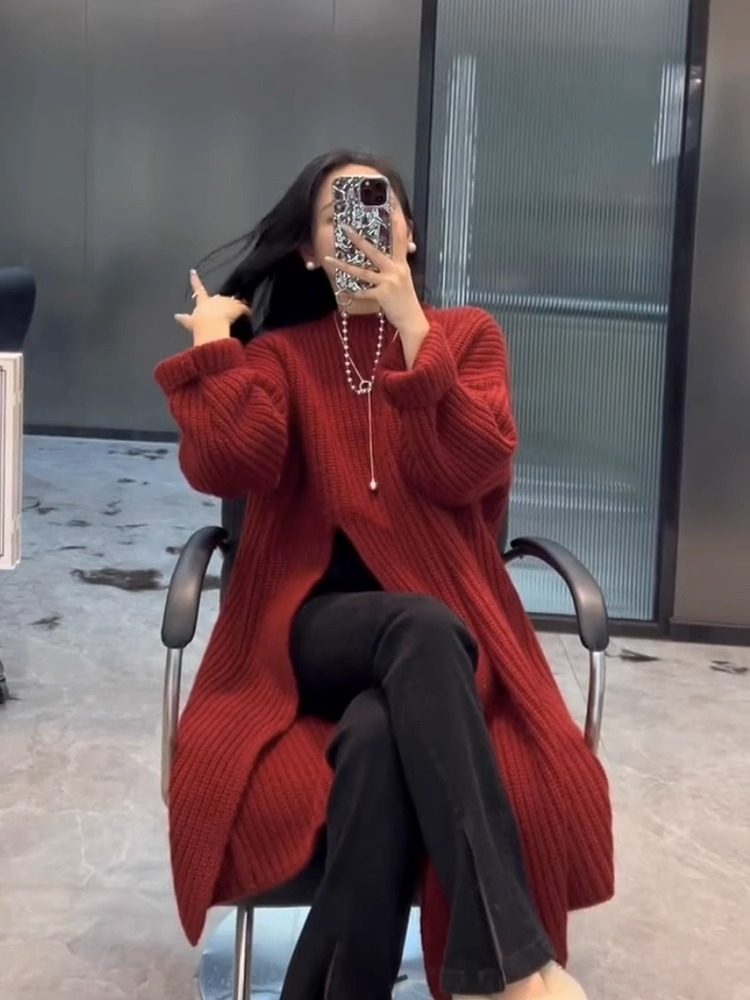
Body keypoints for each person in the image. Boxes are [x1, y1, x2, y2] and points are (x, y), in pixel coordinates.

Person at [154, 149, 614, 1000]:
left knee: (376, 739)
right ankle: (514, 963)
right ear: (308, 250)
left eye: (376, 208)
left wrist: (414, 335)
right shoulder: (282, 357)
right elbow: (229, 463)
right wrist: (218, 348)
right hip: (309, 632)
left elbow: (468, 471)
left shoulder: (468, 338)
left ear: (408, 233)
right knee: (419, 625)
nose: (360, 226)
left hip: (438, 648)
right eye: (337, 214)